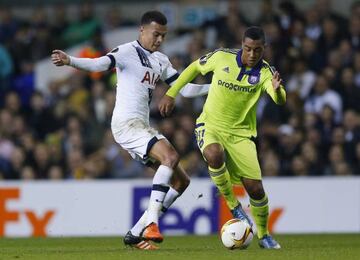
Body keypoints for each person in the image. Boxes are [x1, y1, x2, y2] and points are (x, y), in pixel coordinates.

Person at [51, 10, 208, 250]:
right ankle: (152, 224)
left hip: (142, 126)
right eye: (156, 34)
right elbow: (99, 63)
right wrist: (69, 60)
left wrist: (216, 88)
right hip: (125, 124)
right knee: (171, 156)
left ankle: (135, 233)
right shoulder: (127, 51)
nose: (159, 40)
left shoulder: (161, 60)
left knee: (181, 181)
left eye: (163, 36)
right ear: (142, 30)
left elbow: (184, 90)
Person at [159, 26, 285, 249]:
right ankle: (233, 205)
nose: (252, 54)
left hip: (241, 135)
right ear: (242, 45)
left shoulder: (266, 72)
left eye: (257, 50)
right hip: (211, 125)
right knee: (213, 153)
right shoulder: (221, 56)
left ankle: (264, 235)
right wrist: (171, 92)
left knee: (255, 189)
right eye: (248, 49)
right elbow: (194, 67)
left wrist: (277, 90)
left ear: (264, 48)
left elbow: (279, 100)